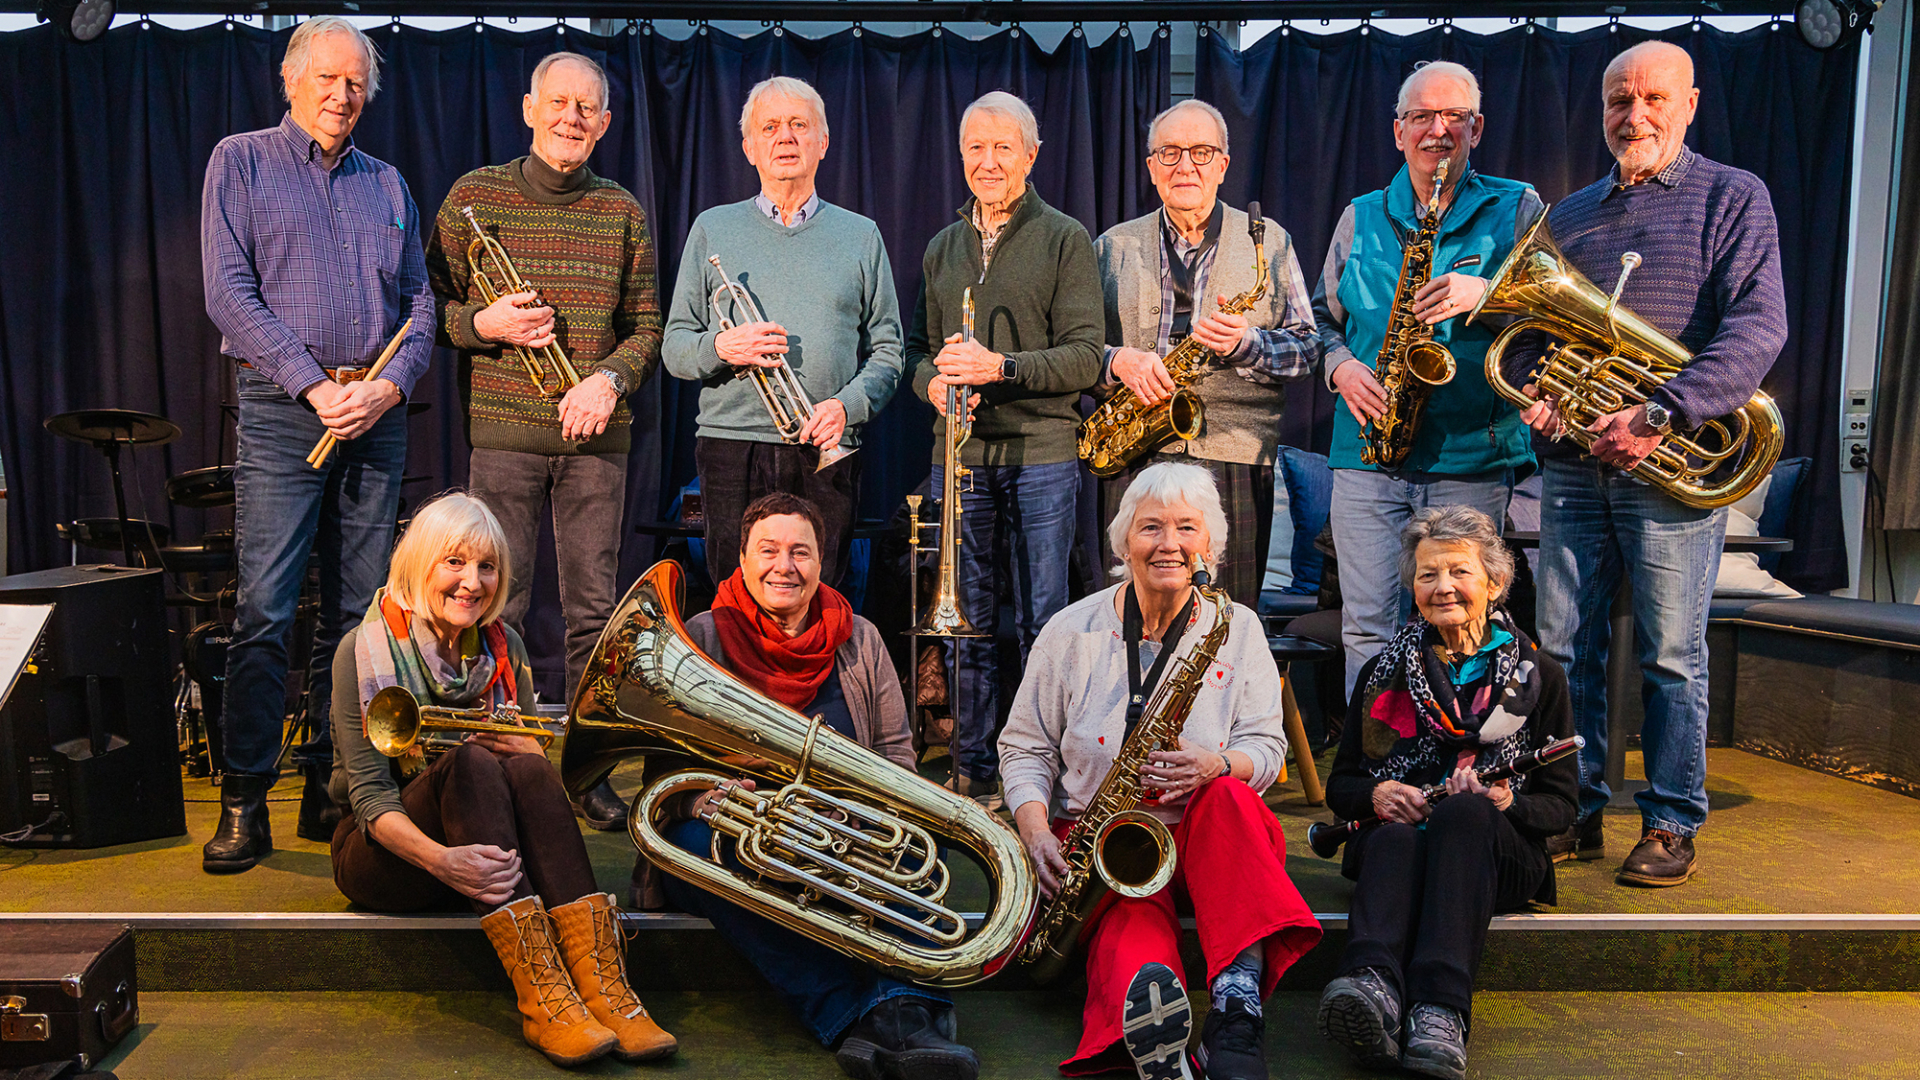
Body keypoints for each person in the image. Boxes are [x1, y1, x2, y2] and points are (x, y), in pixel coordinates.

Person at [1506, 41, 1786, 887]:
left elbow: (1758, 327)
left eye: (1654, 98)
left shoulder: (1733, 195)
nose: (1635, 115)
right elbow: (1532, 341)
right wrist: (1540, 396)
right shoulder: (1570, 213)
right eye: (1619, 100)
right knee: (1563, 649)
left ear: (1689, 104)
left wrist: (1661, 412)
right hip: (1574, 467)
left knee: (1670, 654)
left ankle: (1670, 821)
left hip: (1668, 464)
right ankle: (1573, 808)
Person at [629, 492, 979, 1080]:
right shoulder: (699, 637)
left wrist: (874, 809)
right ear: (742, 559)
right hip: (736, 832)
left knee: (914, 847)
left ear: (823, 562)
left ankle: (895, 1019)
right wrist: (699, 800)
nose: (784, 566)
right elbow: (659, 775)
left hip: (841, 828)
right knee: (694, 852)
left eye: (800, 552)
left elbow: (895, 753)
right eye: (768, 551)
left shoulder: (860, 638)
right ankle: (872, 1013)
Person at [200, 16, 436, 870]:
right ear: (291, 79)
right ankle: (244, 801)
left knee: (361, 618)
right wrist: (315, 385)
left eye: (356, 83)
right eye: (329, 79)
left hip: (373, 414)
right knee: (264, 611)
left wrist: (386, 386)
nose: (343, 95)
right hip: (282, 407)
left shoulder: (388, 183)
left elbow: (422, 305)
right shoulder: (241, 160)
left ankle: (334, 791)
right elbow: (228, 293)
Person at [328, 493, 676, 1068]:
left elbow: (525, 768)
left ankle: (605, 991)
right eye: (455, 562)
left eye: (487, 566)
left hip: (483, 857)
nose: (473, 582)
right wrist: (443, 861)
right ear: (419, 564)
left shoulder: (504, 646)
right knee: (468, 763)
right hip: (389, 857)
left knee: (527, 765)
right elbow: (369, 798)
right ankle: (545, 1001)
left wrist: (531, 750)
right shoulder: (361, 651)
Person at [999, 462, 1322, 1080]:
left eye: (1186, 528)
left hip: (1211, 837)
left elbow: (1266, 746)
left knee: (1229, 796)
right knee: (1132, 931)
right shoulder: (1071, 630)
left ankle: (1236, 1007)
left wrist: (1217, 763)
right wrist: (1035, 831)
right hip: (1104, 841)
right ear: (1124, 542)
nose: (1168, 544)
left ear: (1210, 545)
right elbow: (1025, 748)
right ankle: (1153, 1038)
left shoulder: (1238, 626)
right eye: (1150, 527)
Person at [425, 51, 660, 833]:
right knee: (501, 607)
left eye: (586, 107)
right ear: (530, 109)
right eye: (558, 103)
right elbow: (426, 309)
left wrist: (609, 382)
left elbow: (648, 325)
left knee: (594, 614)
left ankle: (586, 772)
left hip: (597, 440)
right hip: (504, 436)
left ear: (605, 122)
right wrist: (484, 323)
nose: (571, 117)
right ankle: (505, 768)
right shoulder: (473, 197)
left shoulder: (622, 210)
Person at [1316, 505, 1576, 1080]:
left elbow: (1562, 808)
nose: (1443, 587)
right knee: (1395, 837)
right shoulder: (1382, 670)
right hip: (1398, 851)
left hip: (1493, 854)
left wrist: (1507, 801)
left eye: (1460, 572)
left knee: (1463, 813)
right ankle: (1371, 988)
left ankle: (1440, 1007)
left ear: (1495, 583)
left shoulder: (1540, 676)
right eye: (1428, 574)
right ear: (1413, 588)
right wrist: (1378, 794)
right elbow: (1342, 786)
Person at [1313, 61, 1543, 701]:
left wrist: (1487, 292)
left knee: (1463, 624)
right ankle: (1374, 751)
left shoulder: (1517, 206)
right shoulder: (1360, 216)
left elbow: (1554, 313)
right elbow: (1318, 322)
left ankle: (1457, 746)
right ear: (1398, 131)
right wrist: (1340, 366)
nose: (1436, 130)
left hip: (1469, 457)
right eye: (1421, 116)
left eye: (1453, 117)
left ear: (1477, 128)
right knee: (1367, 628)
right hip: (1366, 456)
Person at [908, 90, 1104, 810]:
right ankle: (973, 766)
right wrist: (933, 385)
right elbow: (918, 352)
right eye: (975, 149)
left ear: (1031, 155)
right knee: (966, 619)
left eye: (1002, 148)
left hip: (1042, 451)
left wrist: (1002, 368)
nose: (987, 162)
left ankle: (1040, 770)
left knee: (1043, 619)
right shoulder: (941, 246)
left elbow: (1085, 357)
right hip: (960, 456)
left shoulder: (1064, 238)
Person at [662, 75, 904, 589]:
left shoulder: (861, 235)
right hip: (731, 446)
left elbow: (889, 352)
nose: (785, 137)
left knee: (819, 594)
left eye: (799, 125)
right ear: (749, 148)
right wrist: (722, 346)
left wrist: (846, 407)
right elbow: (675, 347)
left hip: (825, 444)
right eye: (769, 127)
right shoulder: (711, 227)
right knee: (734, 596)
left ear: (823, 141)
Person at [1093, 98, 1320, 602]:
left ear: (1223, 164)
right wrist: (1116, 361)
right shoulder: (1111, 246)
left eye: (1201, 152)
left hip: (1234, 455)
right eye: (1170, 153)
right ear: (1151, 167)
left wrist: (1248, 344)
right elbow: (1077, 349)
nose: (1185, 165)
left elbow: (1308, 348)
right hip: (1134, 448)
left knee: (1228, 612)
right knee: (1129, 608)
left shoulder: (1271, 243)